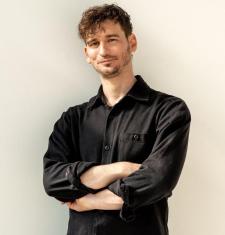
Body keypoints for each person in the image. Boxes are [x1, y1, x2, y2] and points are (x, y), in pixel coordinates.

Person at [43, 4, 191, 235]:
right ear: (87, 55)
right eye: (94, 43)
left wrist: (90, 201)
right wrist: (119, 169)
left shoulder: (169, 111)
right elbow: (53, 180)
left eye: (112, 39)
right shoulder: (72, 119)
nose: (103, 51)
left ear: (131, 43)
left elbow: (157, 181)